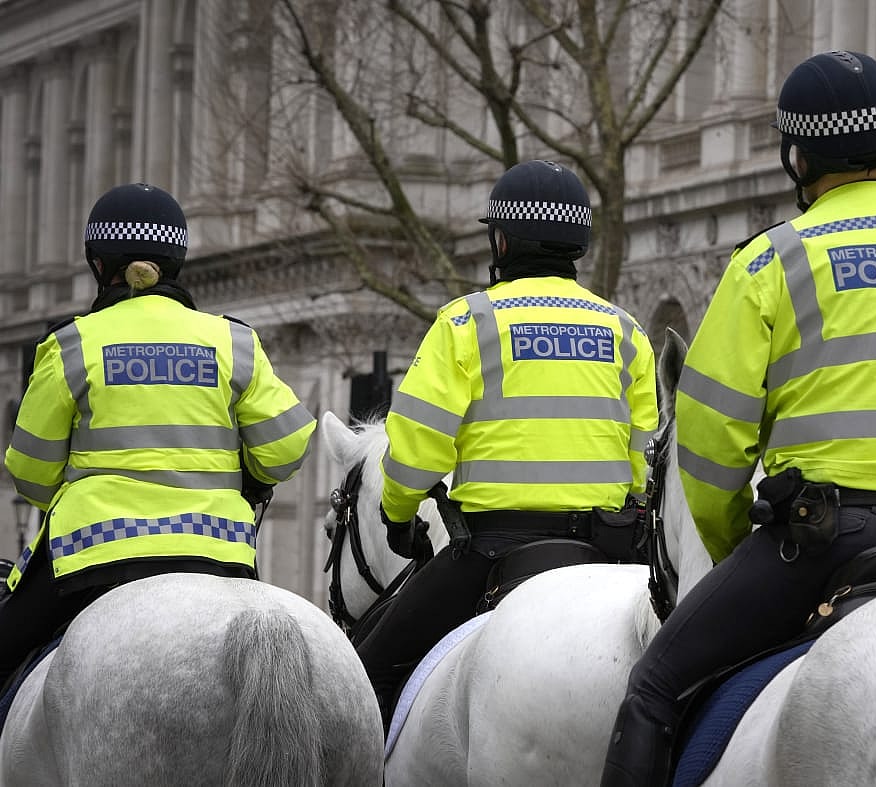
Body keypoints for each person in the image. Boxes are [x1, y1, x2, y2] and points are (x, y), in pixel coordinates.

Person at [599, 50, 876, 786]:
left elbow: (711, 447)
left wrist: (728, 542)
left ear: (796, 157)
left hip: (820, 543)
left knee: (653, 687)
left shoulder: (771, 263)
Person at [353, 159, 658, 731]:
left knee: (363, 682)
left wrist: (398, 516)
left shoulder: (466, 323)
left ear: (502, 239)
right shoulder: (626, 331)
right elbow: (644, 459)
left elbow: (417, 450)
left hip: (493, 549)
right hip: (611, 548)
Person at [0, 183, 317, 691]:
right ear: (177, 260)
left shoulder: (72, 344)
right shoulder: (233, 339)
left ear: (98, 264)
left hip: (92, 552)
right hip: (219, 549)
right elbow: (286, 447)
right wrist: (247, 480)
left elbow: (30, 470)